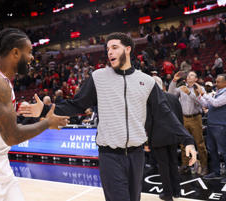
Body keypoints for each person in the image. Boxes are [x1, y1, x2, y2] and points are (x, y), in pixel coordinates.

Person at [20, 32, 197, 201]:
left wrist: (187, 140)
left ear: (128, 49)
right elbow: (76, 104)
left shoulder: (147, 82)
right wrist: (44, 110)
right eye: (107, 49)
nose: (109, 52)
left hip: (137, 155)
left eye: (114, 47)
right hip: (110, 155)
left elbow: (165, 114)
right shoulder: (98, 77)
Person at [0, 28, 69, 201]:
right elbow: (12, 136)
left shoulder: (2, 82)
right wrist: (47, 123)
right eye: (29, 52)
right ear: (15, 52)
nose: (32, 57)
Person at [195, 74, 226, 183]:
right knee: (212, 150)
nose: (215, 83)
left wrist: (204, 93)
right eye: (216, 81)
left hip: (220, 126)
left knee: (223, 151)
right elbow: (207, 105)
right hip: (212, 125)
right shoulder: (218, 93)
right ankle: (216, 172)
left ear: (225, 83)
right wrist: (199, 96)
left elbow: (216, 103)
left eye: (218, 82)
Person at [168, 71, 208, 176]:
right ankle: (185, 165)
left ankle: (204, 166)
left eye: (192, 75)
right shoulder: (181, 87)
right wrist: (174, 80)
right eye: (188, 75)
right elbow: (170, 94)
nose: (189, 76)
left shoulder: (200, 88)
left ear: (196, 79)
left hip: (196, 118)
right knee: (183, 143)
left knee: (200, 144)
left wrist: (189, 93)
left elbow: (202, 103)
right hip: (183, 118)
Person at [149, 92, 184, 201]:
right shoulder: (173, 97)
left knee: (163, 165)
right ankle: (177, 191)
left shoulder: (150, 99)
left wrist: (148, 140)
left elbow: (149, 121)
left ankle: (167, 194)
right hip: (173, 134)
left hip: (158, 137)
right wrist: (180, 133)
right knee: (173, 163)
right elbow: (180, 115)